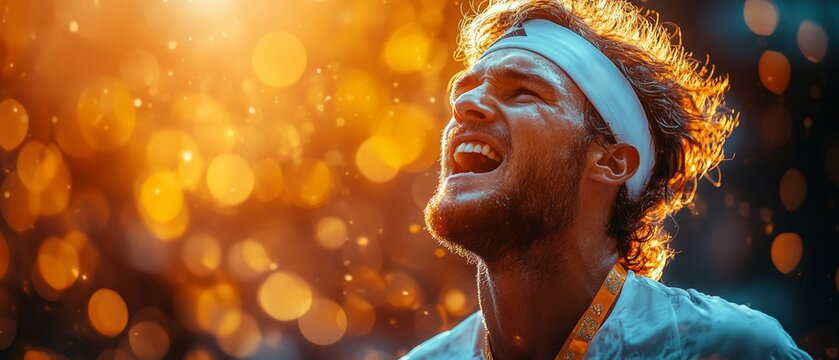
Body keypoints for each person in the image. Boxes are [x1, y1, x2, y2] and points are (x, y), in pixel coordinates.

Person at [404, 0, 811, 359]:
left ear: (612, 163)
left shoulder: (732, 349)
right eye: (463, 93)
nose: (465, 106)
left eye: (523, 93)